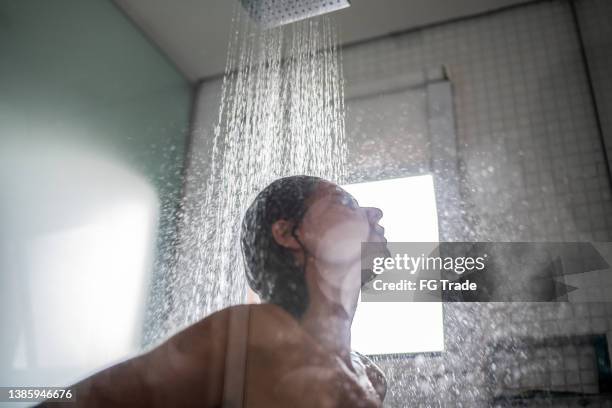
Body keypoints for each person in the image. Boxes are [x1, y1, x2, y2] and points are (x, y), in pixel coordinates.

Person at [39, 175, 388, 407]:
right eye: (344, 202)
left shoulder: (369, 375)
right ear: (287, 234)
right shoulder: (255, 334)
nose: (375, 211)